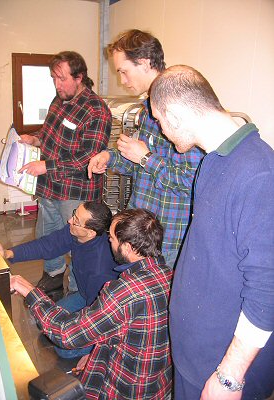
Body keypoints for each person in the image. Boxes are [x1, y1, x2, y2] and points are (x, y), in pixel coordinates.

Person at [150, 65, 274, 400]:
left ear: (174, 116)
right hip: (195, 356)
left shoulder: (259, 174)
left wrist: (229, 377)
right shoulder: (214, 161)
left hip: (222, 371)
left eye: (159, 120)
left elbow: (267, 289)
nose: (161, 130)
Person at [10, 208, 173, 399]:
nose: (108, 240)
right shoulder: (168, 274)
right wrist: (95, 353)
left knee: (61, 345)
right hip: (158, 383)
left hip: (126, 390)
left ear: (127, 247)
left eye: (111, 238)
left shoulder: (125, 291)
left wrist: (28, 290)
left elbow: (66, 333)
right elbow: (133, 331)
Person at [88, 29, 204, 268]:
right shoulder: (146, 110)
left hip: (166, 238)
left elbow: (191, 182)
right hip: (140, 229)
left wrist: (146, 158)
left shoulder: (181, 110)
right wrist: (109, 158)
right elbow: (137, 165)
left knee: (163, 300)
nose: (122, 80)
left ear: (144, 63)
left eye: (124, 71)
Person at [19, 51, 112, 295]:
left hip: (75, 191)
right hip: (50, 186)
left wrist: (46, 166)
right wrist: (35, 139)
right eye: (54, 79)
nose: (57, 85)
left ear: (79, 77)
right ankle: (53, 275)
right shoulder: (58, 100)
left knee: (78, 240)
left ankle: (78, 291)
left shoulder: (97, 110)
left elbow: (87, 156)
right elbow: (49, 134)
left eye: (62, 79)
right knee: (48, 234)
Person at [0, 201, 119, 359]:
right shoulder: (76, 233)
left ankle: (97, 350)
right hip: (85, 295)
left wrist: (95, 351)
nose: (69, 220)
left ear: (90, 232)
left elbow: (103, 318)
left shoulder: (100, 269)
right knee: (44, 323)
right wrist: (8, 253)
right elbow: (47, 245)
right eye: (74, 214)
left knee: (65, 349)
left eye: (75, 220)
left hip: (100, 307)